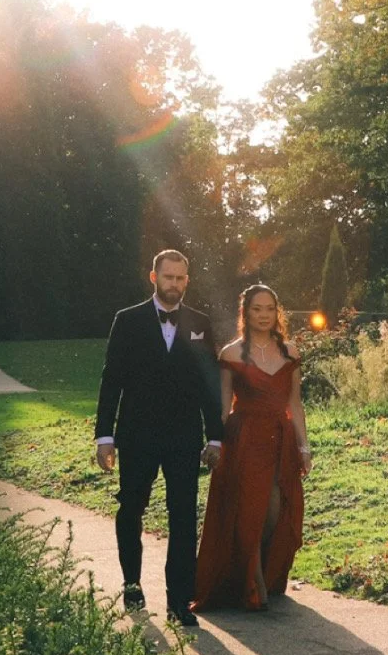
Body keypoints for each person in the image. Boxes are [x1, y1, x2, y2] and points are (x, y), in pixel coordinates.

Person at [94, 249, 223, 629]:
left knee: (183, 517)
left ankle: (179, 601)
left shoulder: (200, 323)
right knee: (131, 509)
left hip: (184, 437)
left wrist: (215, 437)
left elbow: (209, 384)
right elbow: (111, 379)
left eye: (181, 278)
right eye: (169, 277)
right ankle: (132, 584)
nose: (175, 285)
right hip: (137, 435)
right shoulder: (128, 320)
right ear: (154, 278)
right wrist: (105, 436)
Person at [193, 282, 311, 612]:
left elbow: (295, 404)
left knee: (275, 511)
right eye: (256, 309)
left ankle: (257, 571)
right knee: (248, 509)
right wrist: (214, 441)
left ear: (277, 313)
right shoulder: (231, 353)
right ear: (246, 312)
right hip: (243, 438)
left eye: (269, 309)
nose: (263, 315)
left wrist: (304, 447)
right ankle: (253, 581)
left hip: (281, 438)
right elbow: (224, 405)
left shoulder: (290, 351)